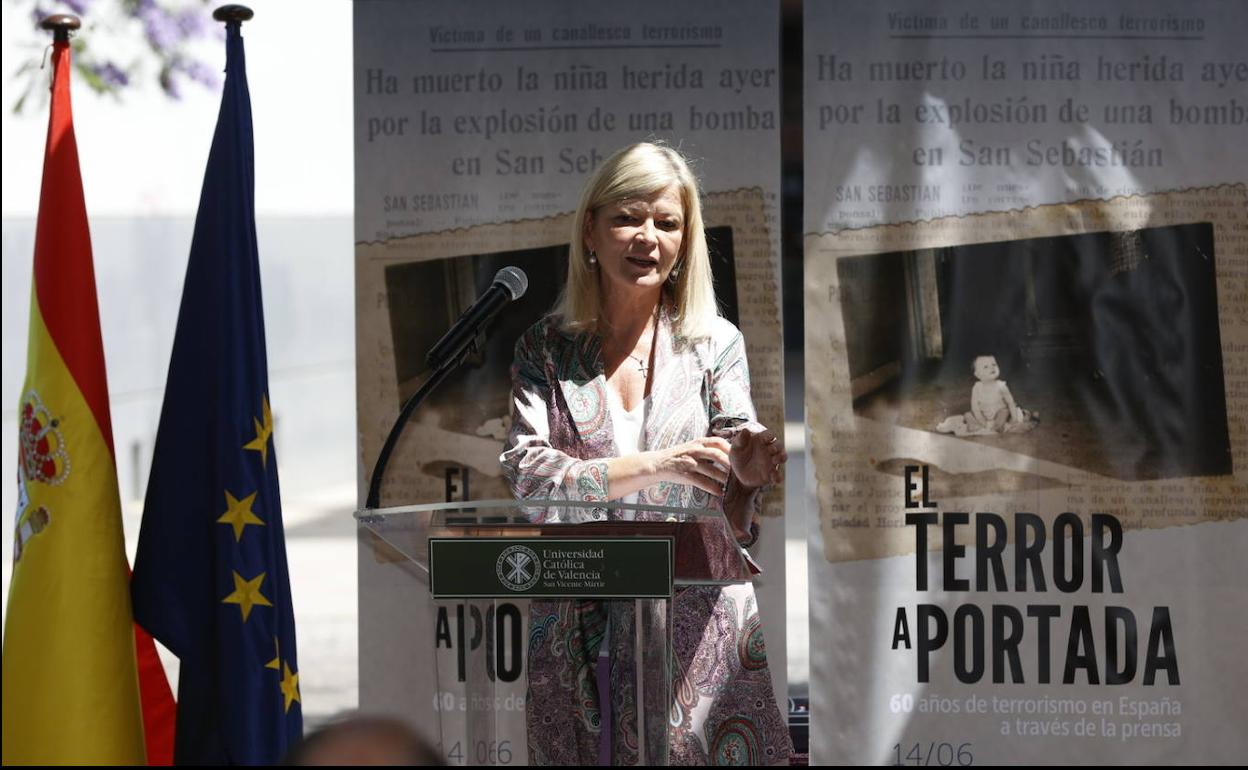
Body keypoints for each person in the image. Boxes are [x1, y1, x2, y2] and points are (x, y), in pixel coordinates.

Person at [500, 142, 792, 765]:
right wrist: (659, 465)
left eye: (667, 223)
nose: (647, 238)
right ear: (591, 230)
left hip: (697, 619)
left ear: (686, 240)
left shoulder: (715, 342)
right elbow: (529, 476)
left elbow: (736, 455)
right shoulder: (545, 349)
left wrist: (743, 474)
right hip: (579, 620)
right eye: (628, 218)